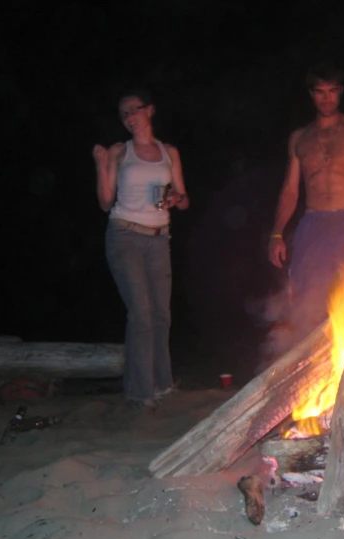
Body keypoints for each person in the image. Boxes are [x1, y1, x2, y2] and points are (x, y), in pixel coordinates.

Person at [263, 63, 344, 364]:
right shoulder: (300, 138)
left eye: (332, 91)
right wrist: (277, 233)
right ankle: (312, 377)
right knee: (308, 302)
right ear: (311, 95)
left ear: (341, 92)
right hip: (314, 223)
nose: (327, 98)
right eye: (320, 92)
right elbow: (290, 190)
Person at [92, 89, 189, 409]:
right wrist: (101, 165)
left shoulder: (169, 151)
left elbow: (183, 198)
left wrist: (174, 199)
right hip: (125, 236)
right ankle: (139, 390)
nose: (130, 118)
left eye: (135, 110)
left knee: (162, 314)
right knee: (142, 313)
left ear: (150, 110)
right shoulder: (121, 151)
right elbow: (106, 202)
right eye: (124, 115)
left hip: (159, 238)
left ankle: (162, 382)